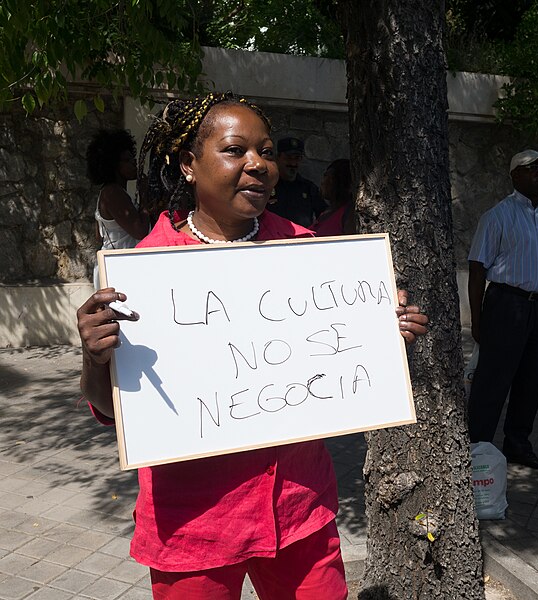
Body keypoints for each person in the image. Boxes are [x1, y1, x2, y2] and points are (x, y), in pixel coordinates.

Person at [76, 92, 429, 600]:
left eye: (264, 152)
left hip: (299, 509)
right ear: (188, 166)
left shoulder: (307, 252)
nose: (258, 165)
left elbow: (347, 357)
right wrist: (95, 355)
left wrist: (386, 331)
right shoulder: (147, 274)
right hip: (194, 526)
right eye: (235, 150)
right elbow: (114, 411)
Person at [467, 149, 538, 470]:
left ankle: (518, 443)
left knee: (532, 380)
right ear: (515, 175)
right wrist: (477, 320)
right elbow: (477, 269)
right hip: (505, 305)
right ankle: (478, 447)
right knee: (493, 378)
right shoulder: (497, 216)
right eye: (534, 168)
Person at [86, 129, 150, 289]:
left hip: (113, 263)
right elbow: (140, 231)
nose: (134, 162)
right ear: (113, 165)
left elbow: (99, 237)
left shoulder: (108, 192)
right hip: (118, 267)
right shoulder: (113, 193)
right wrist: (145, 197)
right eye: (128, 160)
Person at [267, 136, 326, 228]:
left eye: (297, 158)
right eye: (288, 157)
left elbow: (324, 216)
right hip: (273, 240)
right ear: (278, 157)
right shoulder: (267, 186)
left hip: (301, 240)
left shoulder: (309, 188)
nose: (293, 163)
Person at [311, 158, 356, 236]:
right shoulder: (325, 213)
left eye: (332, 179)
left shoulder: (349, 214)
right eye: (325, 176)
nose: (323, 182)